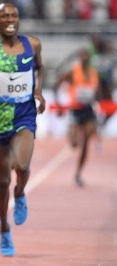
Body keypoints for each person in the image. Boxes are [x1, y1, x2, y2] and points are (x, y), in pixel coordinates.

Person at [0, 2, 46, 257]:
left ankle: (20, 192)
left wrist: (38, 91)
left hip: (25, 114)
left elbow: (39, 67)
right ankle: (4, 229)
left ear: (18, 19)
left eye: (14, 15)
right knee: (2, 180)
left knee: (22, 166)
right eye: (4, 16)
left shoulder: (32, 44)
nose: (10, 19)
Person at [53, 49, 99, 187]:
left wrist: (97, 99)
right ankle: (73, 136)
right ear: (80, 58)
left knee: (85, 143)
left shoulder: (93, 73)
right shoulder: (73, 72)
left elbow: (97, 91)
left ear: (89, 59)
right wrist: (58, 104)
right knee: (74, 144)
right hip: (75, 110)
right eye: (83, 57)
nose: (85, 59)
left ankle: (78, 173)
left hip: (88, 110)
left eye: (87, 57)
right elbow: (56, 85)